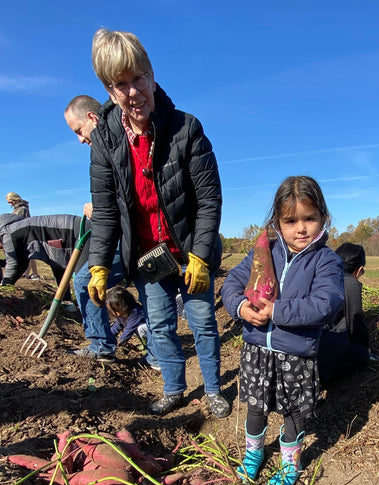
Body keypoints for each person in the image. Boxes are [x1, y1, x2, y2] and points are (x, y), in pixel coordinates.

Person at [87, 29, 230, 418]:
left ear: (151, 75)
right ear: (109, 89)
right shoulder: (105, 141)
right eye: (121, 85)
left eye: (138, 79)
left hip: (187, 250)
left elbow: (208, 199)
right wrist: (99, 263)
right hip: (148, 255)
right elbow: (105, 211)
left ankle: (215, 389)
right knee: (162, 324)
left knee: (201, 320)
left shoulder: (186, 128)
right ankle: (174, 389)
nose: (133, 92)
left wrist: (201, 255)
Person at [221, 175, 344, 485]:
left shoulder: (326, 260)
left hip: (297, 356)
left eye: (309, 218)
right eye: (291, 220)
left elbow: (325, 304)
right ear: (277, 221)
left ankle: (290, 464)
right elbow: (232, 283)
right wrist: (240, 308)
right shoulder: (264, 251)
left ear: (323, 218)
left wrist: (276, 311)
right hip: (257, 352)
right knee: (255, 409)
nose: (301, 228)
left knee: (293, 415)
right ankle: (253, 455)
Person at [64, 96, 126, 363]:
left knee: (81, 282)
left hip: (132, 238)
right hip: (124, 235)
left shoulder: (116, 142)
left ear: (92, 118)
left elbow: (124, 199)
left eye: (78, 130)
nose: (79, 139)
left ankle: (101, 345)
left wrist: (98, 211)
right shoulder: (108, 144)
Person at [0, 213, 87, 310]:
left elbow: (14, 264)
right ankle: (67, 302)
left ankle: (92, 316)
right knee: (57, 264)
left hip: (79, 231)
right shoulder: (21, 226)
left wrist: (5, 286)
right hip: (72, 229)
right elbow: (21, 262)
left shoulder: (10, 232)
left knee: (84, 280)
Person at [317, 242, 370, 384]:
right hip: (326, 346)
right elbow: (355, 320)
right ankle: (327, 379)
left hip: (306, 343)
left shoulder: (321, 275)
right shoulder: (350, 283)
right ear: (359, 270)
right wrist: (365, 348)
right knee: (362, 356)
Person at [106, 285, 152, 351]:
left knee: (140, 329)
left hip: (149, 330)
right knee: (138, 330)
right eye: (113, 311)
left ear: (125, 305)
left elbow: (129, 330)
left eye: (117, 310)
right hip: (141, 332)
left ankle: (149, 348)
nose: (115, 314)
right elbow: (116, 327)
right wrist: (108, 337)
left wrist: (119, 342)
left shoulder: (135, 312)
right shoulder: (122, 315)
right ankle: (145, 344)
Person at [6, 192, 39, 280]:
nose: (10, 204)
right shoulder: (17, 210)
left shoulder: (22, 209)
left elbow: (25, 222)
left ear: (16, 199)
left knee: (29, 254)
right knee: (27, 254)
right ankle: (28, 273)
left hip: (24, 233)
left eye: (11, 202)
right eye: (9, 203)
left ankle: (33, 274)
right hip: (19, 233)